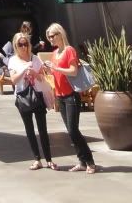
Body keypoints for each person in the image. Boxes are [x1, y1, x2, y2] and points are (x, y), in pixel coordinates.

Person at [43, 23, 97, 173]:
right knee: (70, 130)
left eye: (52, 36)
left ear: (60, 34)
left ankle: (90, 162)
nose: (50, 39)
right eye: (48, 37)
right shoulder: (55, 53)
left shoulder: (69, 50)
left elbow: (73, 71)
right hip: (60, 96)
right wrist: (48, 70)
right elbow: (55, 74)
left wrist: (55, 67)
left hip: (71, 94)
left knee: (73, 130)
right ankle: (82, 161)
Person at [8, 31, 57, 170]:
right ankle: (37, 159)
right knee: (29, 129)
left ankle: (49, 159)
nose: (23, 47)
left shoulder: (35, 58)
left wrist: (35, 73)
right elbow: (13, 80)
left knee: (42, 129)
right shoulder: (13, 60)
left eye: (25, 44)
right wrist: (24, 70)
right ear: (16, 46)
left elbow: (42, 77)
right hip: (23, 97)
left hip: (37, 95)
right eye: (20, 45)